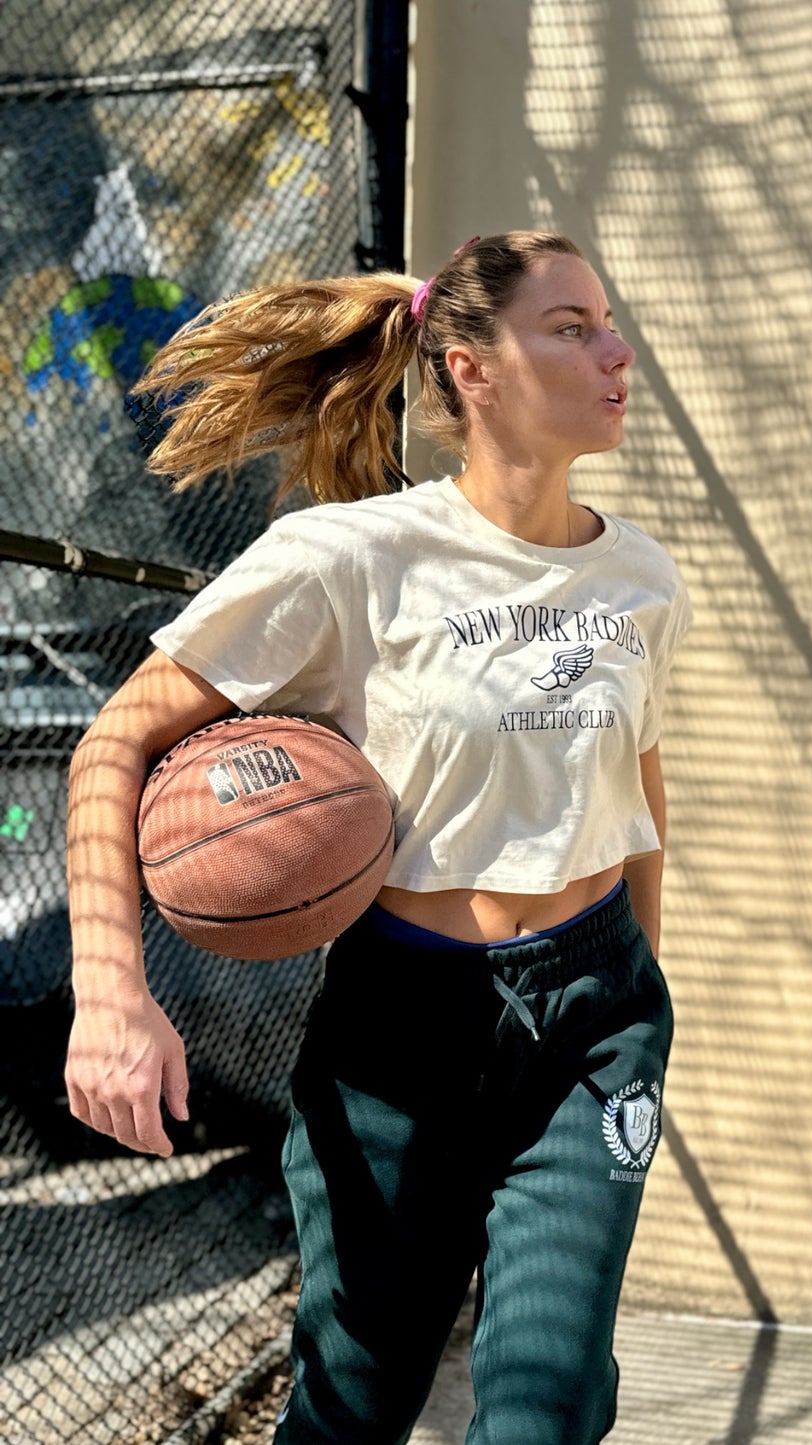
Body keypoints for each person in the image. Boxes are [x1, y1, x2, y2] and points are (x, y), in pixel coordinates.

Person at [63, 231, 691, 1445]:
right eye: (571, 326)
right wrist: (109, 992)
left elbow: (637, 795)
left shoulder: (641, 579)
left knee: (545, 1409)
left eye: (608, 322)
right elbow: (111, 745)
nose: (616, 351)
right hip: (404, 1030)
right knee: (350, 1405)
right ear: (470, 366)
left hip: (593, 1024)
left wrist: (643, 991)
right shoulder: (348, 558)